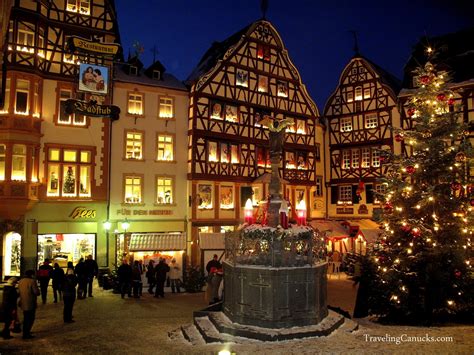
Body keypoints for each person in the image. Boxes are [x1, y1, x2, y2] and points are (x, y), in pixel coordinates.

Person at [18, 270, 40, 339]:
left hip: (23, 302)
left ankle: (25, 332)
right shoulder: (32, 281)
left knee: (26, 317)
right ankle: (26, 333)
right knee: (30, 318)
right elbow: (36, 292)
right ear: (31, 275)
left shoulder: (21, 281)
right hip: (30, 302)